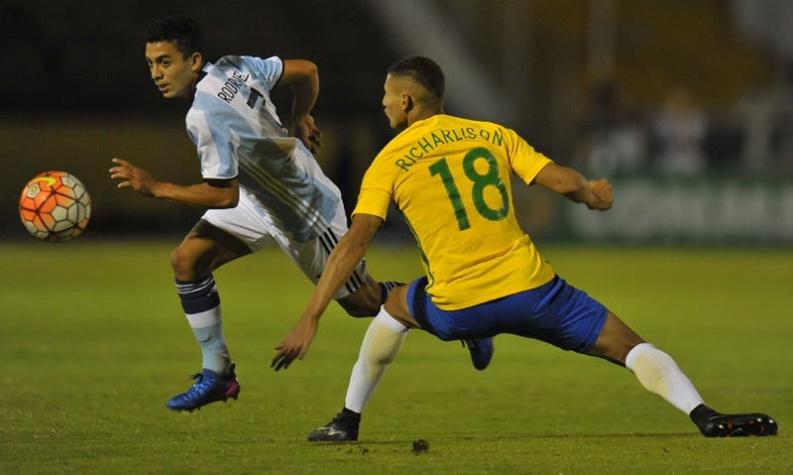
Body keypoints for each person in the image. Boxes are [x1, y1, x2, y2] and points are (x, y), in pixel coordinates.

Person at [271, 56, 778, 441]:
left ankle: (347, 421)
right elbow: (558, 180)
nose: (382, 103)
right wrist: (590, 193)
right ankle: (705, 416)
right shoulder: (492, 134)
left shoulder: (389, 160)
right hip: (535, 293)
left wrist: (312, 315)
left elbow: (354, 243)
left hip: (457, 306)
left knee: (392, 307)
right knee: (630, 346)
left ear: (406, 101)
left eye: (386, 95)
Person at [108, 15, 411, 412]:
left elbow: (223, 196)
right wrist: (300, 116)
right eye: (150, 64)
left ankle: (446, 304)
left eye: (165, 62)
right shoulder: (236, 66)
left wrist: (156, 188)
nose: (156, 73)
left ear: (194, 60)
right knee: (187, 260)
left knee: (365, 303)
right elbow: (307, 71)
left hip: (305, 211)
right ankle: (217, 373)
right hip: (260, 199)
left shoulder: (202, 115)